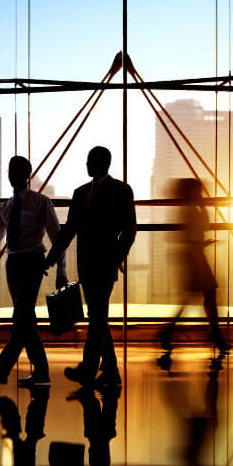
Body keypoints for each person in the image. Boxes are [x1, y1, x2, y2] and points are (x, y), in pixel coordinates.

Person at [45, 146, 136, 387]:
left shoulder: (120, 191)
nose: (86, 164)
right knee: (98, 318)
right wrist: (53, 256)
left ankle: (88, 369)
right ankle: (111, 372)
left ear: (102, 163)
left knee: (96, 318)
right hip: (87, 266)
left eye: (89, 160)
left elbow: (129, 230)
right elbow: (69, 229)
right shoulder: (82, 192)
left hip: (105, 266)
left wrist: (116, 259)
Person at [0, 155, 67, 387]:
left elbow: (57, 238)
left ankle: (2, 367)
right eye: (9, 171)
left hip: (32, 261)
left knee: (21, 315)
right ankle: (41, 372)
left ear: (27, 175)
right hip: (13, 263)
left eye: (16, 171)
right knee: (26, 318)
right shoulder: (6, 207)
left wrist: (60, 271)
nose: (11, 176)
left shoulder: (40, 202)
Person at [156, 177, 230, 371]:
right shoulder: (189, 210)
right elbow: (199, 230)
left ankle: (170, 330)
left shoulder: (188, 209)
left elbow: (198, 230)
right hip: (194, 257)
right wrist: (203, 209)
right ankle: (213, 333)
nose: (201, 194)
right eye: (198, 191)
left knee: (199, 295)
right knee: (207, 294)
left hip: (193, 255)